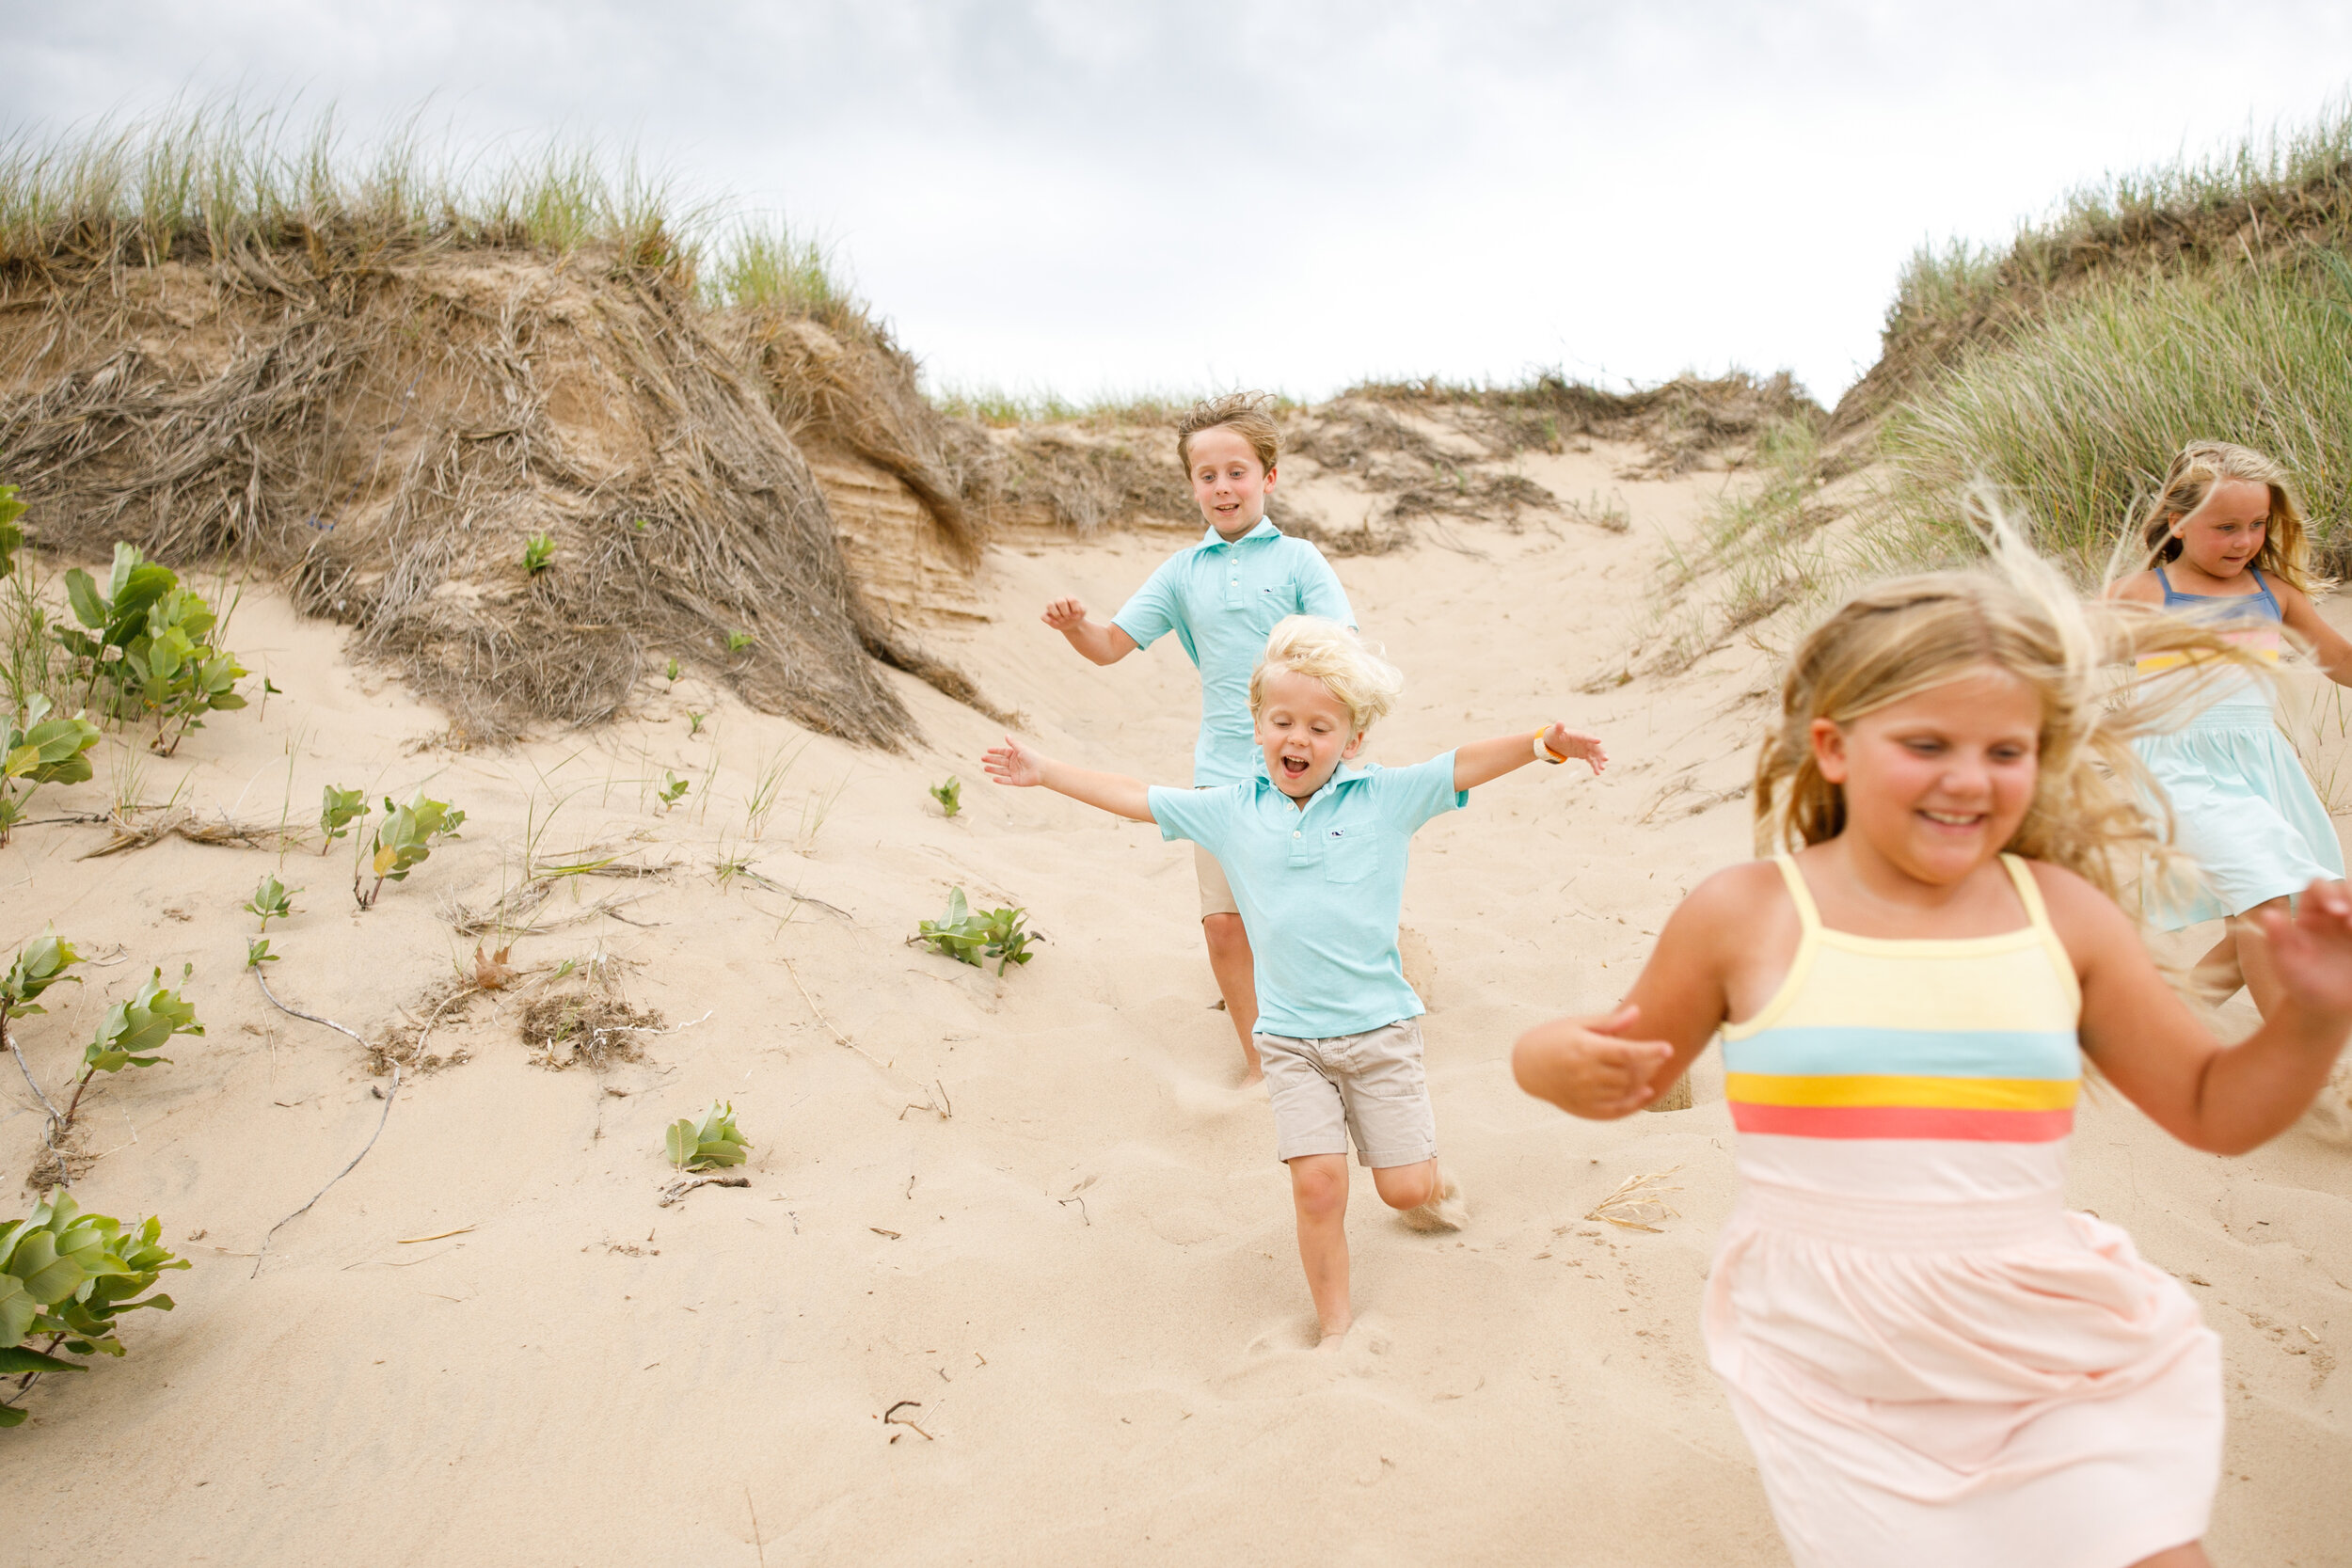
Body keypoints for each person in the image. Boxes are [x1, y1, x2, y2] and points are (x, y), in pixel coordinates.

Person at [1511, 523, 2352, 1568]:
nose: (1969, 778)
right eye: (1926, 744)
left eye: (2006, 751)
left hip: (2034, 1315)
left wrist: (2313, 1015)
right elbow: (1603, 1060)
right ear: (1832, 746)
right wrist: (1549, 1058)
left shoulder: (2063, 915)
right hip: (1833, 1346)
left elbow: (2214, 1107)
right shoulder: (1747, 914)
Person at [987, 616, 1606, 1343]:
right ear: (1257, 725)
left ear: (1353, 739)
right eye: (1282, 721)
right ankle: (1336, 1328)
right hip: (1290, 1041)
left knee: (1402, 1187)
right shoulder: (1231, 810)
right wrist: (1045, 770)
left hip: (1380, 1032)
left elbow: (1459, 765)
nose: (1298, 739)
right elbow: (1137, 795)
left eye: (1320, 727)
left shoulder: (1384, 798)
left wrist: (1542, 746)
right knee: (1318, 1186)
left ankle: (1430, 1183)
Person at [1040, 393, 1353, 1083]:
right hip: (1221, 771)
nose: (1222, 487)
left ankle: (1341, 1033)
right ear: (1192, 486)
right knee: (1224, 924)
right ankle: (1261, 1060)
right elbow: (1112, 644)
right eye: (1206, 475)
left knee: (1306, 915)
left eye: (1236, 472)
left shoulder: (1300, 560)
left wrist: (1346, 735)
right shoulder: (1183, 573)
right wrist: (1074, 628)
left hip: (1306, 766)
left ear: (1268, 477)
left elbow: (1343, 654)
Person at [2106, 439, 2352, 1015]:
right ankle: (2285, 1063)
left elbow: (2338, 660)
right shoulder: (2146, 594)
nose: (2243, 541)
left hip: (2261, 765)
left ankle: (2163, 1017)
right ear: (2180, 523)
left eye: (2257, 525)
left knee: (2286, 908)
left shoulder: (2273, 595)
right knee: (2265, 900)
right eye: (2225, 527)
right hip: (2179, 768)